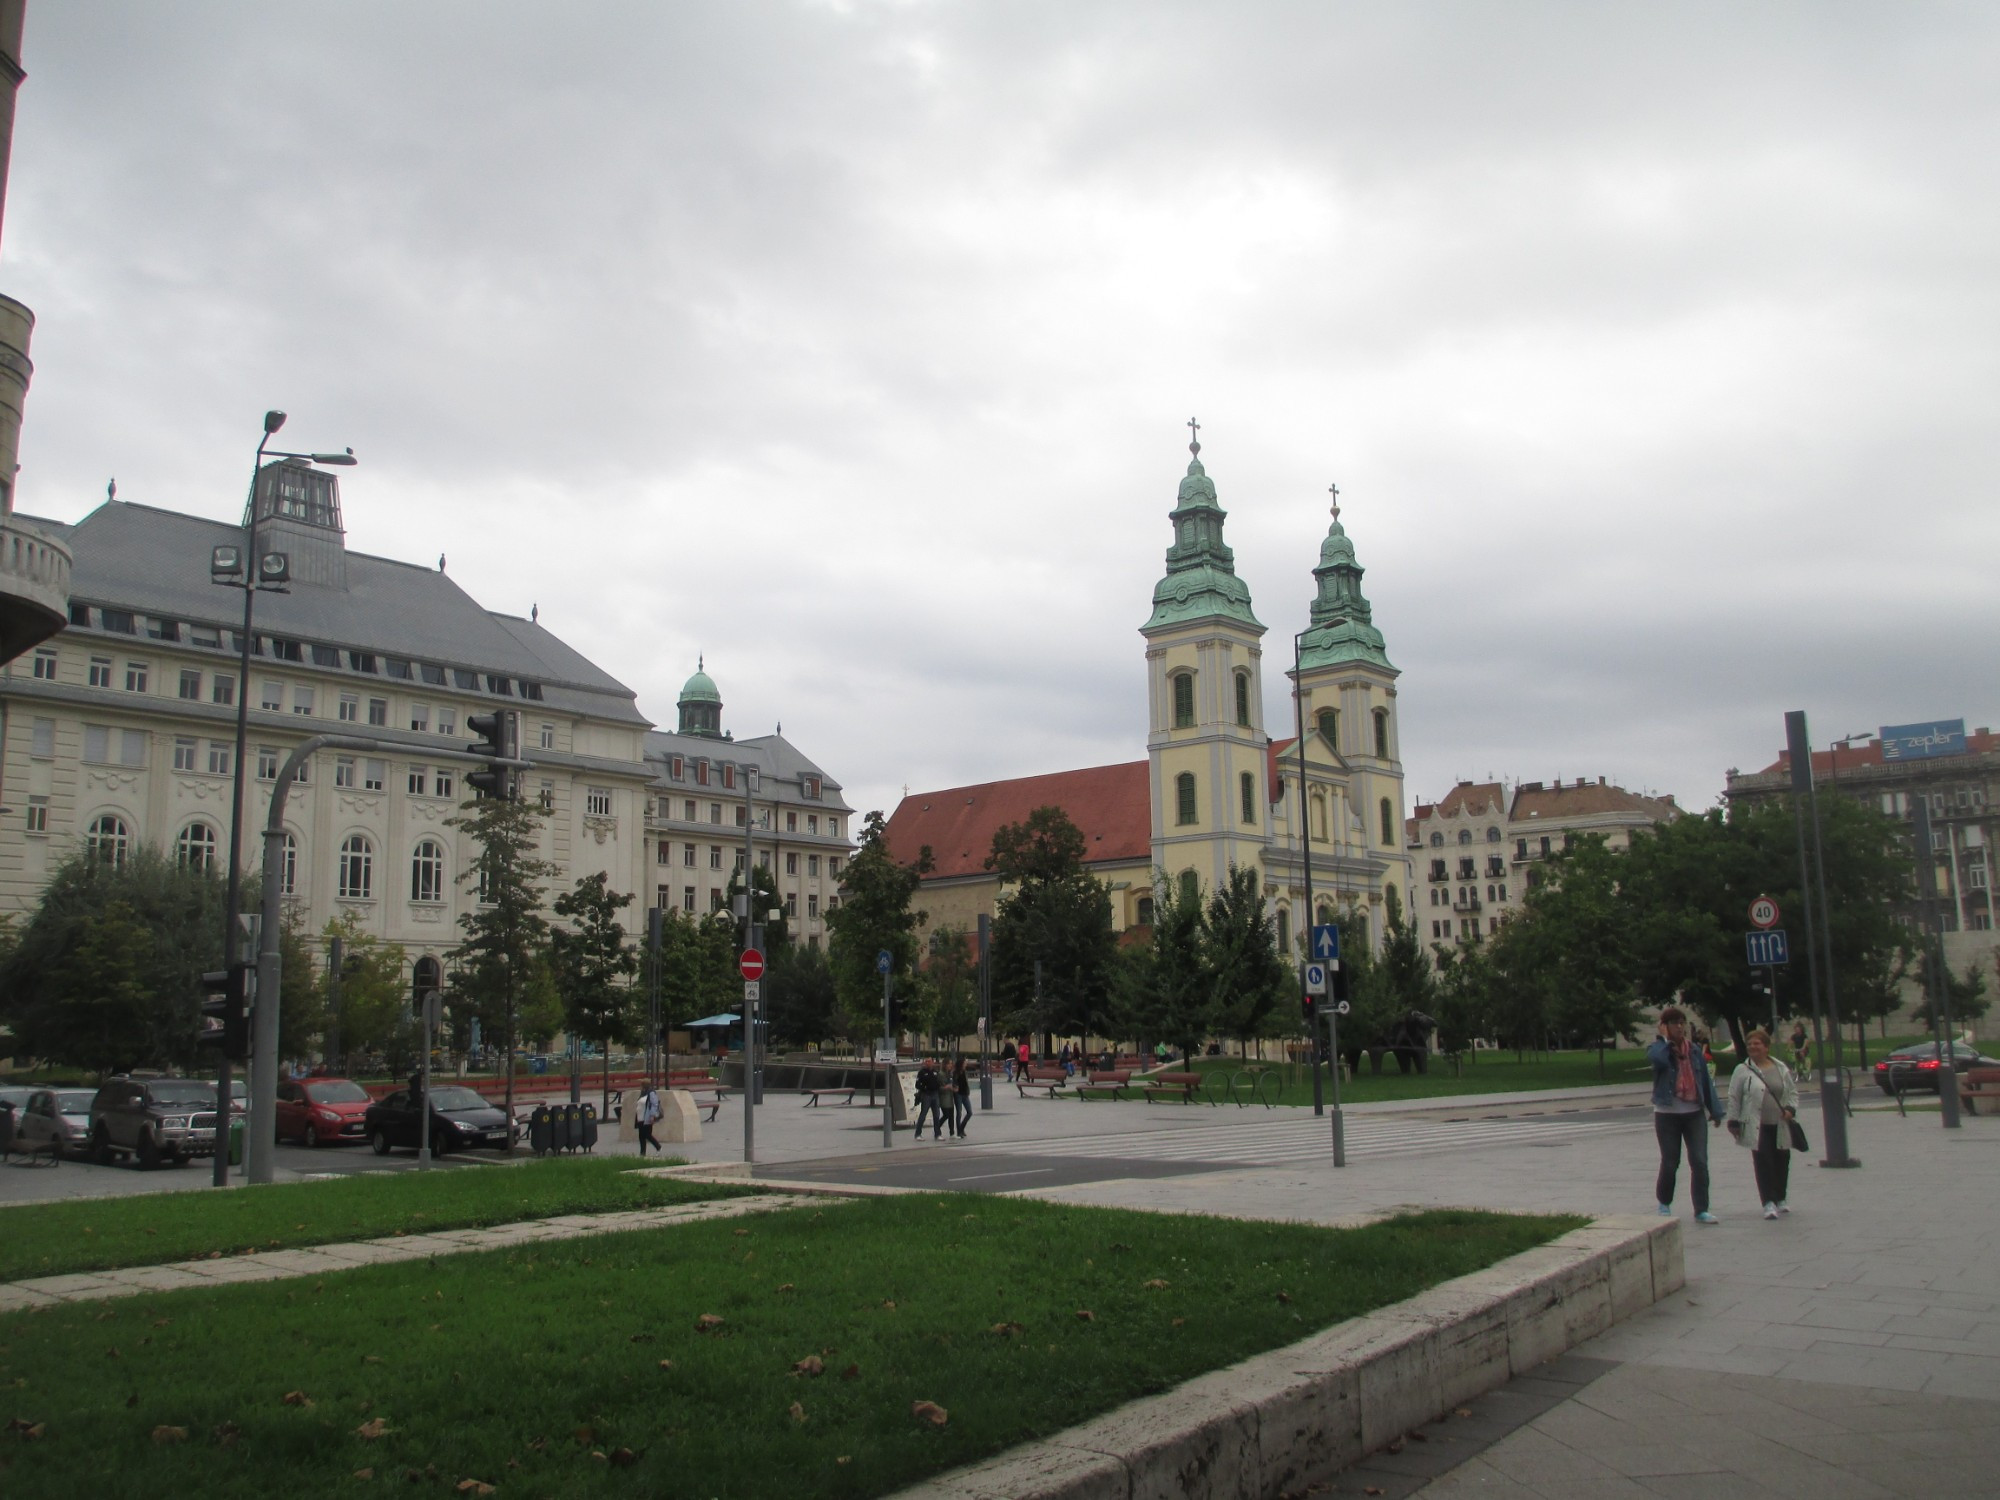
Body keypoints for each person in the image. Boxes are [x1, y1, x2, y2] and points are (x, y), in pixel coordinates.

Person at [1648, 1006, 1725, 1224]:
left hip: (1693, 1113)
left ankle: (1701, 1208)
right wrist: (1664, 1040)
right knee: (1671, 1161)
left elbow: (1705, 1083)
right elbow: (1659, 1061)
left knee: (1699, 1161)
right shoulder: (1657, 1048)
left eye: (1682, 1023)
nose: (1680, 1027)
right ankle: (1664, 1202)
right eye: (1674, 1023)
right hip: (1667, 1114)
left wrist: (1715, 1110)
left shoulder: (1694, 1051)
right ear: (1665, 1026)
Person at [1726, 1027, 1800, 1219]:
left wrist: (1790, 1110)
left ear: (1766, 1047)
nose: (1752, 1047)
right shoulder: (1742, 1070)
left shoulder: (1780, 1068)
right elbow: (1734, 1097)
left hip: (1780, 1123)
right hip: (1756, 1125)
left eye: (1757, 1043)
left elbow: (1792, 1092)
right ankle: (1768, 1202)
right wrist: (1733, 1121)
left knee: (1782, 1160)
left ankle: (1781, 1198)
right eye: (1749, 1044)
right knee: (1763, 1162)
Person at [912, 1058, 943, 1138]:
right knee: (923, 1114)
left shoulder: (935, 1072)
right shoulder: (922, 1072)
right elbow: (917, 1084)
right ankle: (918, 1133)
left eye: (929, 1061)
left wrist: (938, 1088)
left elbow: (939, 1082)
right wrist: (924, 1088)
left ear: (932, 1062)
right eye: (926, 1061)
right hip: (926, 1095)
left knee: (936, 1115)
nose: (927, 1063)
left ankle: (937, 1134)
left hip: (935, 1094)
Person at [634, 1080, 663, 1158]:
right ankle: (642, 1153)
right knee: (641, 1136)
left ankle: (658, 1147)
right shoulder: (642, 1094)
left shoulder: (651, 1093)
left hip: (647, 1118)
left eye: (641, 1085)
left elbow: (654, 1104)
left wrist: (652, 1115)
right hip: (640, 1118)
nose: (640, 1087)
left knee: (647, 1135)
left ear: (644, 1086)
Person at [950, 1055, 972, 1137]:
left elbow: (966, 1082)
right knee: (959, 1112)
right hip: (958, 1094)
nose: (966, 1064)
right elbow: (953, 1082)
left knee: (969, 1112)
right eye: (964, 1063)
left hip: (965, 1094)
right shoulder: (955, 1072)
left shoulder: (965, 1072)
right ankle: (959, 1131)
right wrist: (955, 1087)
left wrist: (968, 1090)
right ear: (961, 1064)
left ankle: (961, 1127)